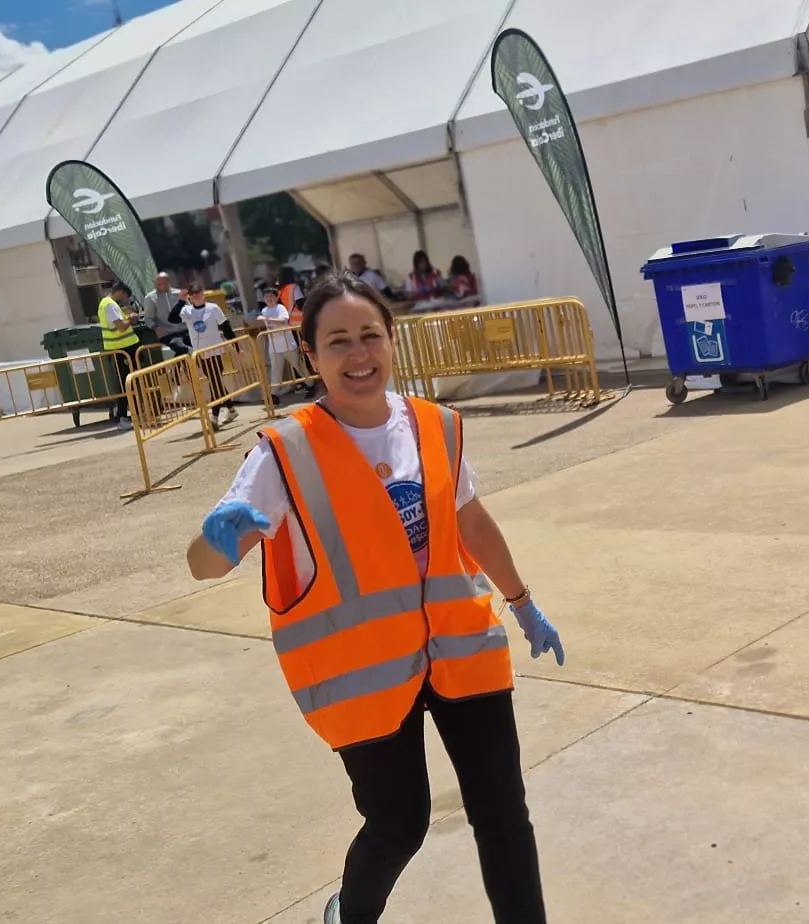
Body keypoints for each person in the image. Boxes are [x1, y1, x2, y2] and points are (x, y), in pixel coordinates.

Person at [185, 270, 564, 924]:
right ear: (311, 356)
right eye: (337, 342)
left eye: (369, 336)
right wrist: (217, 538)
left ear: (392, 340)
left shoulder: (433, 425)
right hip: (360, 670)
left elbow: (470, 520)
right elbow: (204, 568)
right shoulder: (284, 452)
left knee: (502, 810)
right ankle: (348, 916)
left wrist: (522, 600)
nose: (357, 355)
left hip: (460, 643)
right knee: (399, 824)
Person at [178, 286, 241, 427]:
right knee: (215, 380)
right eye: (193, 294)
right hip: (199, 353)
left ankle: (214, 415)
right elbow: (173, 318)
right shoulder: (187, 310)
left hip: (215, 350)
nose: (196, 296)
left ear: (203, 294)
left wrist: (236, 347)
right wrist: (181, 301)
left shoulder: (213, 308)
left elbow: (226, 327)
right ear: (189, 296)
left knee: (215, 381)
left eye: (198, 293)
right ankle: (231, 409)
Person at [99, 280, 141, 429]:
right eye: (124, 296)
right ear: (121, 292)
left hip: (122, 348)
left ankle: (129, 414)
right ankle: (123, 416)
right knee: (127, 383)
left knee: (128, 382)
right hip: (122, 349)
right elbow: (121, 327)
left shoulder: (108, 304)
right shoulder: (110, 305)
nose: (124, 300)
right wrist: (131, 319)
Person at [256, 284, 307, 399]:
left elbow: (283, 320)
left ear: (276, 297)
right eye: (266, 296)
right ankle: (273, 394)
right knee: (276, 371)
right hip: (274, 347)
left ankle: (310, 384)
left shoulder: (280, 308)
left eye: (271, 296)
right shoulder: (264, 310)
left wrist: (266, 319)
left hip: (287, 343)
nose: (269, 298)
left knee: (298, 365)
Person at [148, 271, 191, 358]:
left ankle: (175, 370)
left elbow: (190, 311)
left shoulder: (179, 294)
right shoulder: (150, 298)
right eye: (156, 284)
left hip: (185, 330)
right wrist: (155, 327)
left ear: (168, 282)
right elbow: (148, 318)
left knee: (198, 346)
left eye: (160, 284)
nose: (157, 286)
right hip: (167, 334)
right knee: (183, 349)